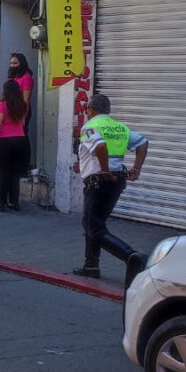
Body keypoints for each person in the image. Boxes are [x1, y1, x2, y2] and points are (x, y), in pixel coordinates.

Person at [72, 94, 150, 279]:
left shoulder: (90, 127)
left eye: (86, 109)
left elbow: (100, 147)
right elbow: (143, 143)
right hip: (116, 181)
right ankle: (91, 266)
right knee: (93, 223)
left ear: (91, 109)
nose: (86, 112)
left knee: (94, 227)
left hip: (99, 180)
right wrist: (136, 169)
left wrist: (105, 169)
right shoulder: (119, 127)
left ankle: (132, 257)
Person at [0, 79, 30, 211]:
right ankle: (13, 202)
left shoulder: (2, 105)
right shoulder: (23, 105)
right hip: (20, 140)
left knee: (2, 172)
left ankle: (0, 201)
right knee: (14, 173)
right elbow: (22, 123)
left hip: (3, 141)